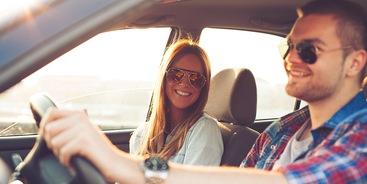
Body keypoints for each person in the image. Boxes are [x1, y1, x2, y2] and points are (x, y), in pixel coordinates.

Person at [39, 0, 367, 183]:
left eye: (309, 50)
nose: (291, 59)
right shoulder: (281, 130)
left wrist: (121, 163)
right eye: (289, 47)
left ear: (355, 62)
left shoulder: (361, 137)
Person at [129, 39, 223, 166]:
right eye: (176, 74)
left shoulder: (205, 129)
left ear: (203, 87)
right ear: (163, 79)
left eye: (195, 78)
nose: (184, 83)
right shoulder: (142, 133)